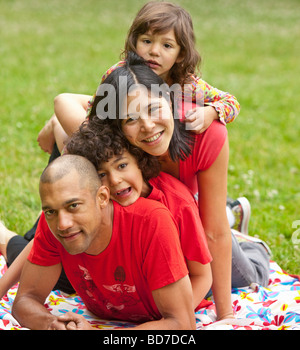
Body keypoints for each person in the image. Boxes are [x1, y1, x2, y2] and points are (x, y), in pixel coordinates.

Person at [85, 52, 270, 321]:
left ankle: (251, 244)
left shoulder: (205, 133)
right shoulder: (112, 143)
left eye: (153, 109)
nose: (147, 126)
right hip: (165, 224)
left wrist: (225, 315)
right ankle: (228, 210)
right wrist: (55, 126)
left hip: (196, 222)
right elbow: (66, 103)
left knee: (244, 276)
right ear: (118, 126)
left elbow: (213, 232)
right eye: (131, 119)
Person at [12, 155, 196, 330]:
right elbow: (25, 300)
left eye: (73, 206)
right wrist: (53, 324)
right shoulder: (52, 222)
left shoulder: (151, 221)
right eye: (51, 211)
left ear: (102, 197)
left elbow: (182, 323)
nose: (63, 224)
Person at [38, 0, 240, 155]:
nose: (154, 51)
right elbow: (93, 117)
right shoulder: (118, 74)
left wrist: (211, 113)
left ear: (181, 54)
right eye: (147, 41)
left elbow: (231, 102)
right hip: (117, 139)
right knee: (80, 150)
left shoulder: (186, 83)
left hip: (150, 144)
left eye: (167, 45)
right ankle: (58, 127)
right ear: (134, 42)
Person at [65, 117, 212, 310]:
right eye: (101, 175)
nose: (115, 180)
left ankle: (246, 236)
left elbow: (202, 276)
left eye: (122, 165)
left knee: (246, 271)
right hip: (137, 283)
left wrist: (172, 318)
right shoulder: (101, 201)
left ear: (139, 160)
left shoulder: (177, 203)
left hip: (196, 267)